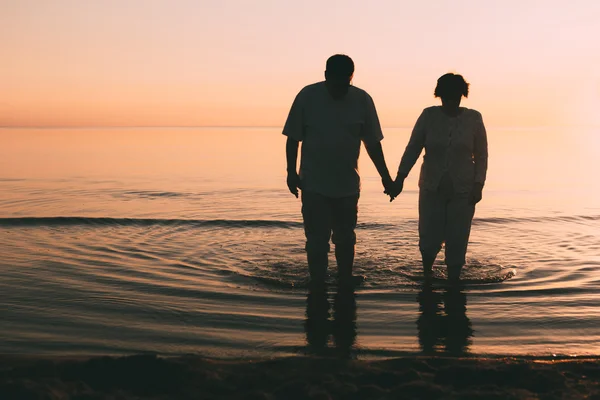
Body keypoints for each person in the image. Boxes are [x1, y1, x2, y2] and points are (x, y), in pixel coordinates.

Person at [283, 54, 393, 287]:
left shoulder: (362, 100)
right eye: (336, 83)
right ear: (325, 76)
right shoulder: (307, 96)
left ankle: (345, 278)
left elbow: (372, 143)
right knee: (316, 239)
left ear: (351, 78)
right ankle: (317, 281)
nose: (340, 88)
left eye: (346, 83)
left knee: (345, 237)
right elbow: (293, 138)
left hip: (347, 184)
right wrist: (291, 172)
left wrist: (386, 177)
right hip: (313, 183)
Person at [388, 73, 488, 282]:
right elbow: (413, 148)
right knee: (429, 236)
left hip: (464, 190)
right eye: (447, 96)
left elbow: (481, 154)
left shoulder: (474, 118)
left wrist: (479, 184)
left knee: (458, 237)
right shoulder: (428, 116)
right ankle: (427, 274)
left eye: (456, 95)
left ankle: (454, 280)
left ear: (462, 95)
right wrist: (399, 178)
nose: (451, 101)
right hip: (431, 187)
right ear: (439, 95)